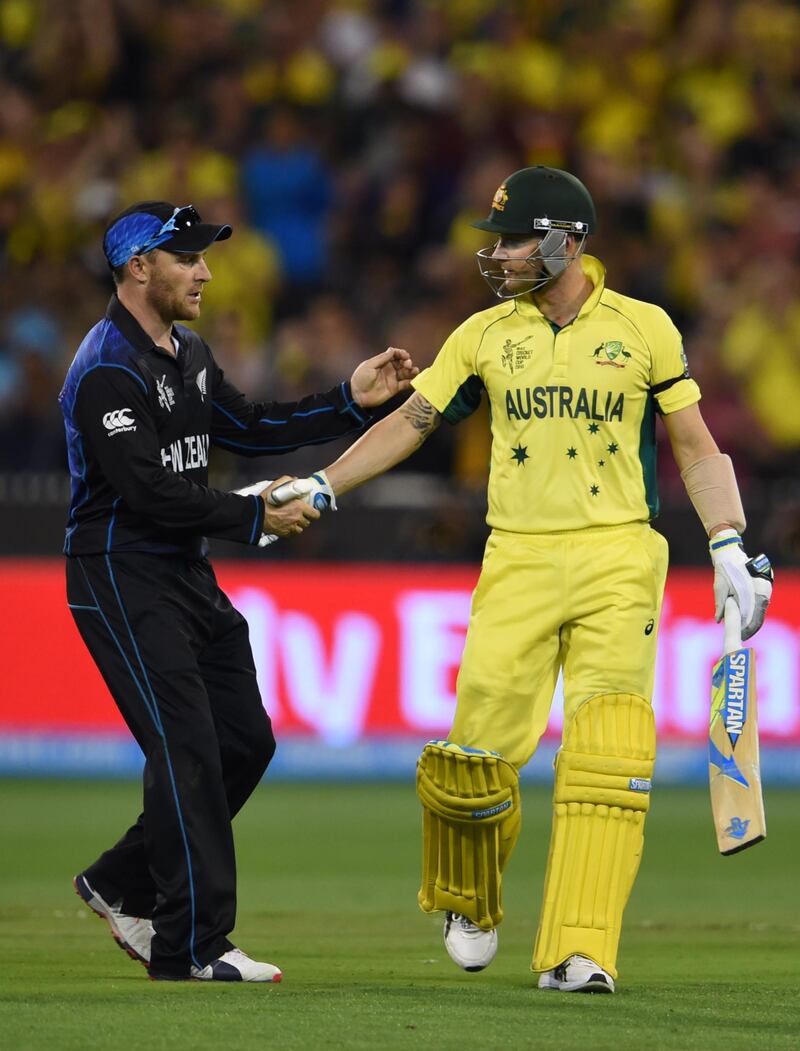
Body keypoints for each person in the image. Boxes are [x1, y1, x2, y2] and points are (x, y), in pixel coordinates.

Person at [277, 167, 774, 993]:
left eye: (512, 238)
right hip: (518, 556)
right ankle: (469, 898)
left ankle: (581, 949)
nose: (498, 253)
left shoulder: (645, 328)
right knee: (474, 754)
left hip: (620, 555)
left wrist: (728, 541)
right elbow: (413, 418)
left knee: (609, 761)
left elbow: (691, 442)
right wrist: (328, 482)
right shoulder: (483, 335)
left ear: (565, 241)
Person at [60, 200, 417, 982]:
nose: (207, 271)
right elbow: (148, 493)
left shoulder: (185, 351)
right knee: (185, 747)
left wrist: (350, 400)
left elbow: (249, 425)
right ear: (138, 267)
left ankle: (119, 880)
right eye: (188, 257)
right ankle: (194, 947)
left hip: (181, 571)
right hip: (120, 572)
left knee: (242, 742)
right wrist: (255, 515)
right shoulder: (106, 370)